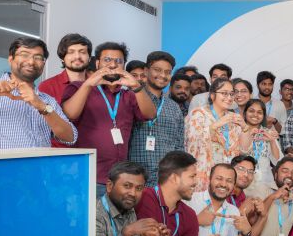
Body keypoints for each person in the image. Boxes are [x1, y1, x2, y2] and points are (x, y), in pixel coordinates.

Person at [62, 41, 157, 196]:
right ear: (97, 63)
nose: (113, 65)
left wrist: (137, 87)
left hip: (120, 179)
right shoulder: (79, 87)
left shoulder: (128, 95)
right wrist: (88, 84)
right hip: (88, 176)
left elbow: (150, 114)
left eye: (118, 61)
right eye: (107, 60)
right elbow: (70, 114)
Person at [129, 51, 185, 187]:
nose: (163, 76)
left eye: (167, 72)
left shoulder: (174, 107)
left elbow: (179, 146)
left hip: (166, 181)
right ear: (146, 71)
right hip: (136, 179)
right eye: (158, 70)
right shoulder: (131, 98)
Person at [185, 77, 245, 192]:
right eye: (224, 93)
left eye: (231, 94)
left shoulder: (234, 118)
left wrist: (245, 128)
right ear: (212, 95)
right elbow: (193, 144)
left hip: (226, 180)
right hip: (203, 177)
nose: (229, 97)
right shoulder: (198, 113)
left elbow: (244, 151)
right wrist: (217, 124)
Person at [38, 33, 93, 120]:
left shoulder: (99, 84)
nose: (77, 56)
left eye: (82, 52)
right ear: (62, 58)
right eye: (71, 52)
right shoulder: (47, 86)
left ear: (89, 57)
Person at [238, 99, 281, 186]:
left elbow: (277, 161)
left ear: (263, 116)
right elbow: (236, 155)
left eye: (259, 112)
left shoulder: (269, 133)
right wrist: (249, 135)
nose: (255, 115)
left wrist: (272, 141)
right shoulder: (237, 131)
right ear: (245, 113)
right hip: (242, 180)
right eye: (251, 111)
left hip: (265, 182)